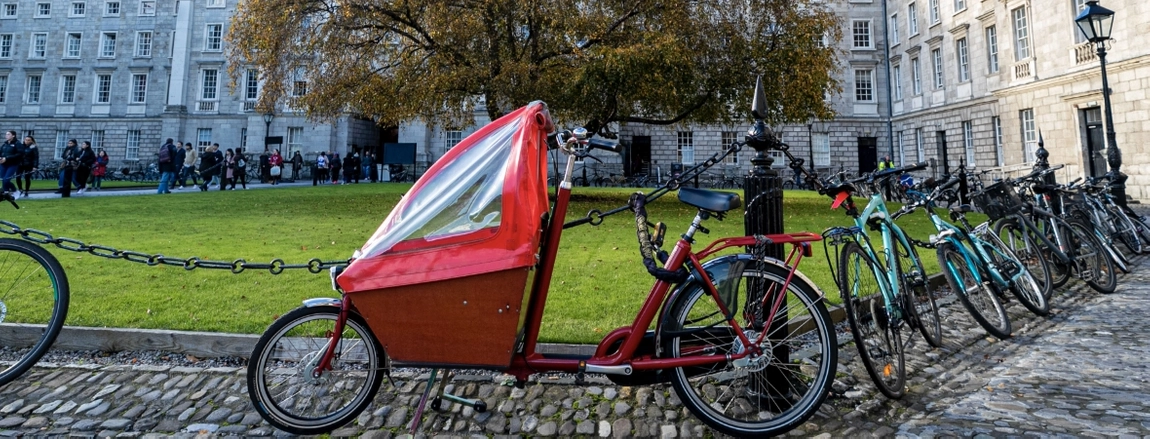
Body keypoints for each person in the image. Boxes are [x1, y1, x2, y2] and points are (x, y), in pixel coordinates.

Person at [0, 131, 23, 196]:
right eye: (6, 134)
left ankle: (15, 190)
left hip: (12, 164)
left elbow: (20, 154)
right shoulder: (5, 144)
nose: (6, 136)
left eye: (8, 134)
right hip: (3, 164)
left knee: (6, 179)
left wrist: (7, 158)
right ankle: (6, 192)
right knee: (2, 179)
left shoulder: (17, 144)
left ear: (13, 135)